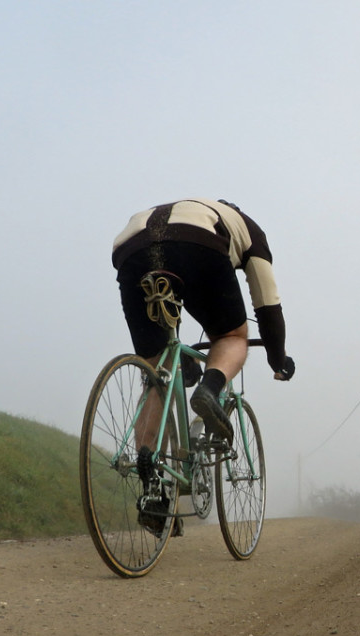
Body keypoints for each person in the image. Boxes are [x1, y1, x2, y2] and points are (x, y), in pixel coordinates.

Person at [112, 198, 295, 534]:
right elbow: (267, 303)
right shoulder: (249, 229)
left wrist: (179, 354)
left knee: (156, 375)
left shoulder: (193, 208)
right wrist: (277, 357)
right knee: (232, 336)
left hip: (131, 249)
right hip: (196, 244)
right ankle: (209, 391)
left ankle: (151, 490)